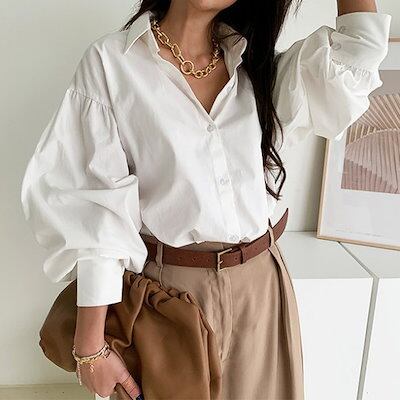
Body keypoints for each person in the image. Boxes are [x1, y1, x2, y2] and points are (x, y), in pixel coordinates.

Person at [20, 0, 391, 399]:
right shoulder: (111, 62)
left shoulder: (262, 69)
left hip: (261, 289)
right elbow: (96, 212)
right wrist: (90, 348)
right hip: (169, 296)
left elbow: (360, 50)